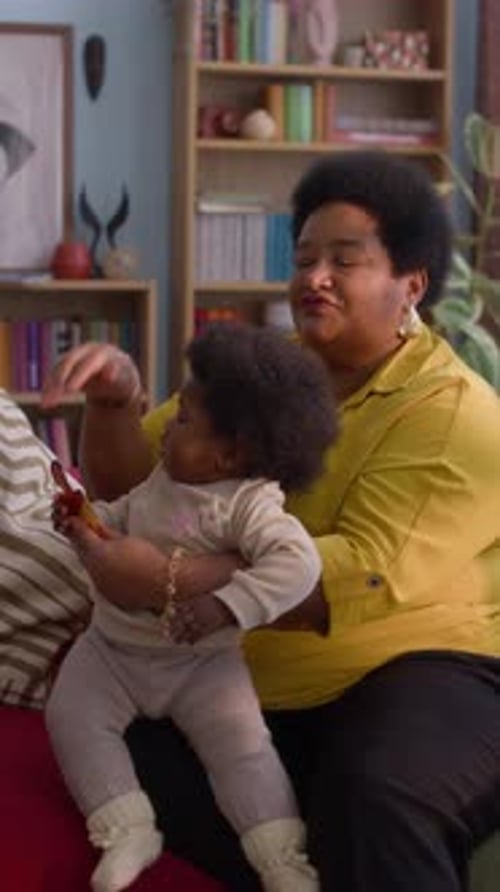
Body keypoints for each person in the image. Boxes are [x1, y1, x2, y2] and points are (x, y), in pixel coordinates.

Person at [42, 149, 500, 892]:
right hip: (247, 665)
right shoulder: (258, 371)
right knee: (107, 759)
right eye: (305, 256)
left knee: (377, 794)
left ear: (410, 283)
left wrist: (167, 581)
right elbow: (145, 487)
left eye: (343, 260)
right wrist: (115, 401)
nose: (313, 276)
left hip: (422, 666)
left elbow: (351, 577)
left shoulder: (458, 414)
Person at [45, 322, 336, 892]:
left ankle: (281, 860)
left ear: (230, 454)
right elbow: (129, 513)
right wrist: (89, 525)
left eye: (182, 421)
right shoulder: (167, 476)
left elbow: (298, 565)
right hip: (112, 650)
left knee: (243, 751)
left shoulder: (250, 505)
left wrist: (228, 607)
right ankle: (126, 826)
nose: (166, 426)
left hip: (203, 664)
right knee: (70, 716)